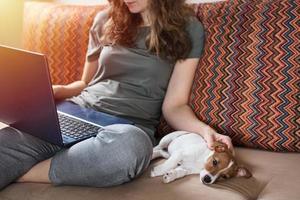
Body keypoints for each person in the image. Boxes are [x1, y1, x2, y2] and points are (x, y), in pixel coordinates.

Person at [0, 0, 232, 189]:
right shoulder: (105, 19)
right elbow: (85, 82)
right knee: (5, 141)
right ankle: (70, 161)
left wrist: (205, 131)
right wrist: (56, 91)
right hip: (75, 112)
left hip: (125, 129)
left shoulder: (189, 29)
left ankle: (26, 173)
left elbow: (174, 106)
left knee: (129, 151)